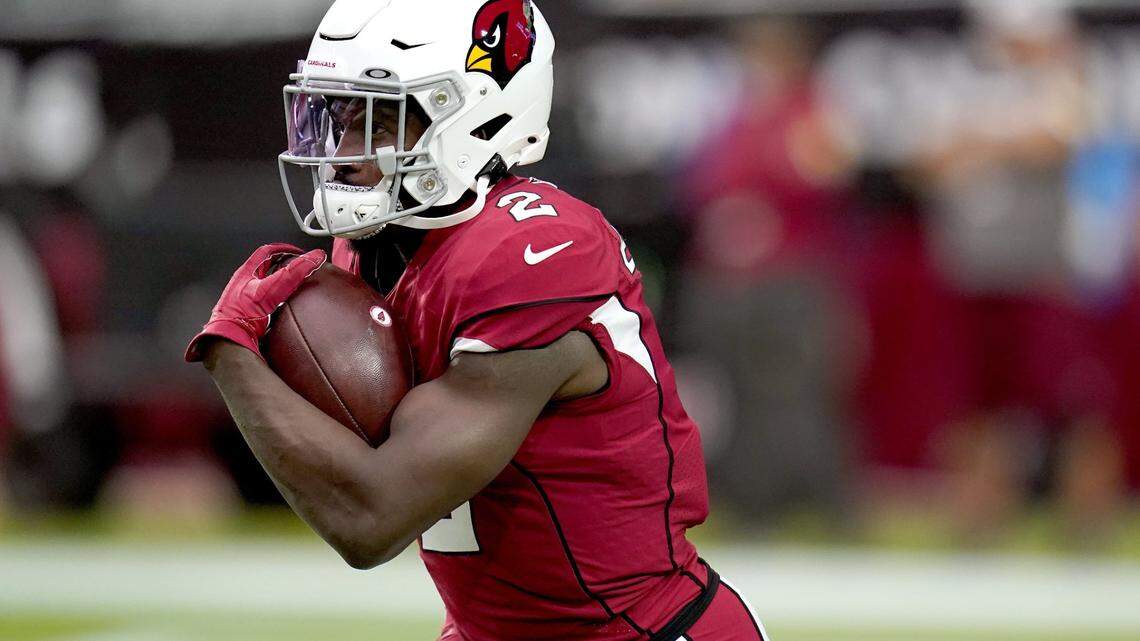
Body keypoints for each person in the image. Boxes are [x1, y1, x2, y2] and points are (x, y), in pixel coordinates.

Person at [185, 2, 768, 639]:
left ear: (476, 115)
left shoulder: (533, 254)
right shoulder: (374, 247)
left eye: (382, 122)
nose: (343, 156)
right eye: (338, 119)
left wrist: (230, 347)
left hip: (636, 630)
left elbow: (370, 518)